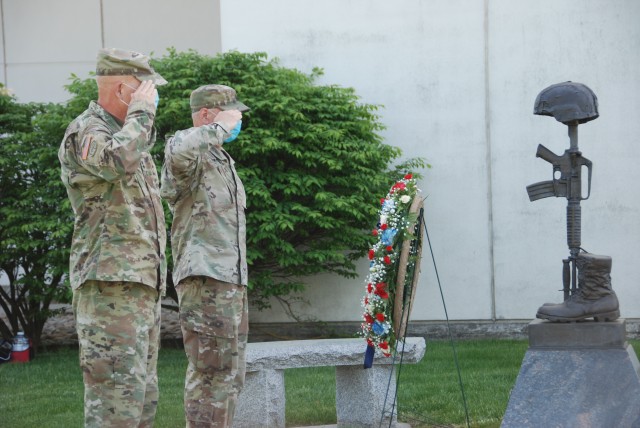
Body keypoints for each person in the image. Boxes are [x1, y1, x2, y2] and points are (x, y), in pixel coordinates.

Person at [58, 47, 167, 427]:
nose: (151, 98)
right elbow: (114, 163)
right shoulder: (88, 131)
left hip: (137, 284)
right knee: (114, 402)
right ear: (123, 89)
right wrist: (141, 113)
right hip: (109, 285)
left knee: (140, 400)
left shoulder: (129, 136)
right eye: (145, 90)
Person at [160, 84, 250, 427]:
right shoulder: (187, 147)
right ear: (208, 114)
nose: (238, 119)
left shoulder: (220, 158)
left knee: (230, 374)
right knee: (210, 373)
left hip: (230, 280)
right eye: (232, 113)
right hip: (206, 278)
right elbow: (179, 150)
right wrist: (218, 128)